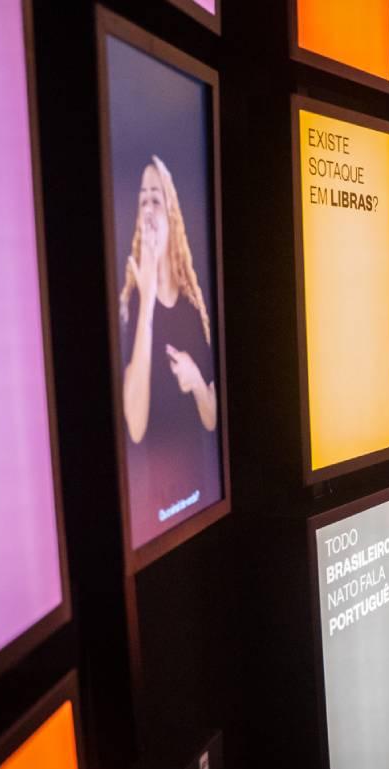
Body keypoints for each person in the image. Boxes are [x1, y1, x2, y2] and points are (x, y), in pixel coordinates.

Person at [119, 155, 218, 527]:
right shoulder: (131, 304)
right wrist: (146, 302)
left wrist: (194, 382)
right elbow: (136, 424)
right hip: (150, 507)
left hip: (195, 498)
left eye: (155, 199)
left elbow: (211, 420)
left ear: (171, 214)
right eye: (142, 199)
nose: (147, 208)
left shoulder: (193, 310)